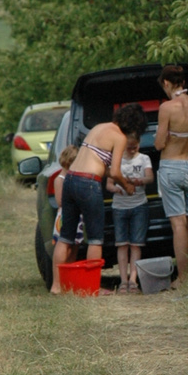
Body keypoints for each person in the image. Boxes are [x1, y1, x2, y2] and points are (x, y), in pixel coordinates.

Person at [55, 103, 146, 287]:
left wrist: (119, 178)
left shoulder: (98, 127)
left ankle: (57, 286)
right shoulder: (119, 137)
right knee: (95, 238)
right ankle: (91, 287)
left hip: (70, 179)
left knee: (66, 237)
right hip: (88, 184)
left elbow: (98, 164)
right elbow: (115, 172)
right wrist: (127, 186)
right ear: (135, 127)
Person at [154, 65, 188, 285]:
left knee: (178, 223)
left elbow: (159, 144)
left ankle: (183, 276)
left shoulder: (167, 108)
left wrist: (171, 138)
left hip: (172, 166)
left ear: (167, 83)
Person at [111, 130, 153, 292]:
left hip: (139, 205)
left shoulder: (144, 159)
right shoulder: (116, 161)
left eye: (135, 147)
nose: (132, 150)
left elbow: (150, 177)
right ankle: (123, 280)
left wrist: (139, 180)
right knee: (122, 244)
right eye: (128, 148)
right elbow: (108, 183)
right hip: (119, 207)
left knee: (136, 244)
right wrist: (116, 189)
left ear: (139, 145)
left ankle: (133, 280)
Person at [49, 146, 79, 295]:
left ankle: (69, 281)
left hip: (76, 216)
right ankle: (58, 282)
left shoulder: (75, 177)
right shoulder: (60, 179)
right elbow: (60, 201)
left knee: (74, 248)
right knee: (64, 246)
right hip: (66, 216)